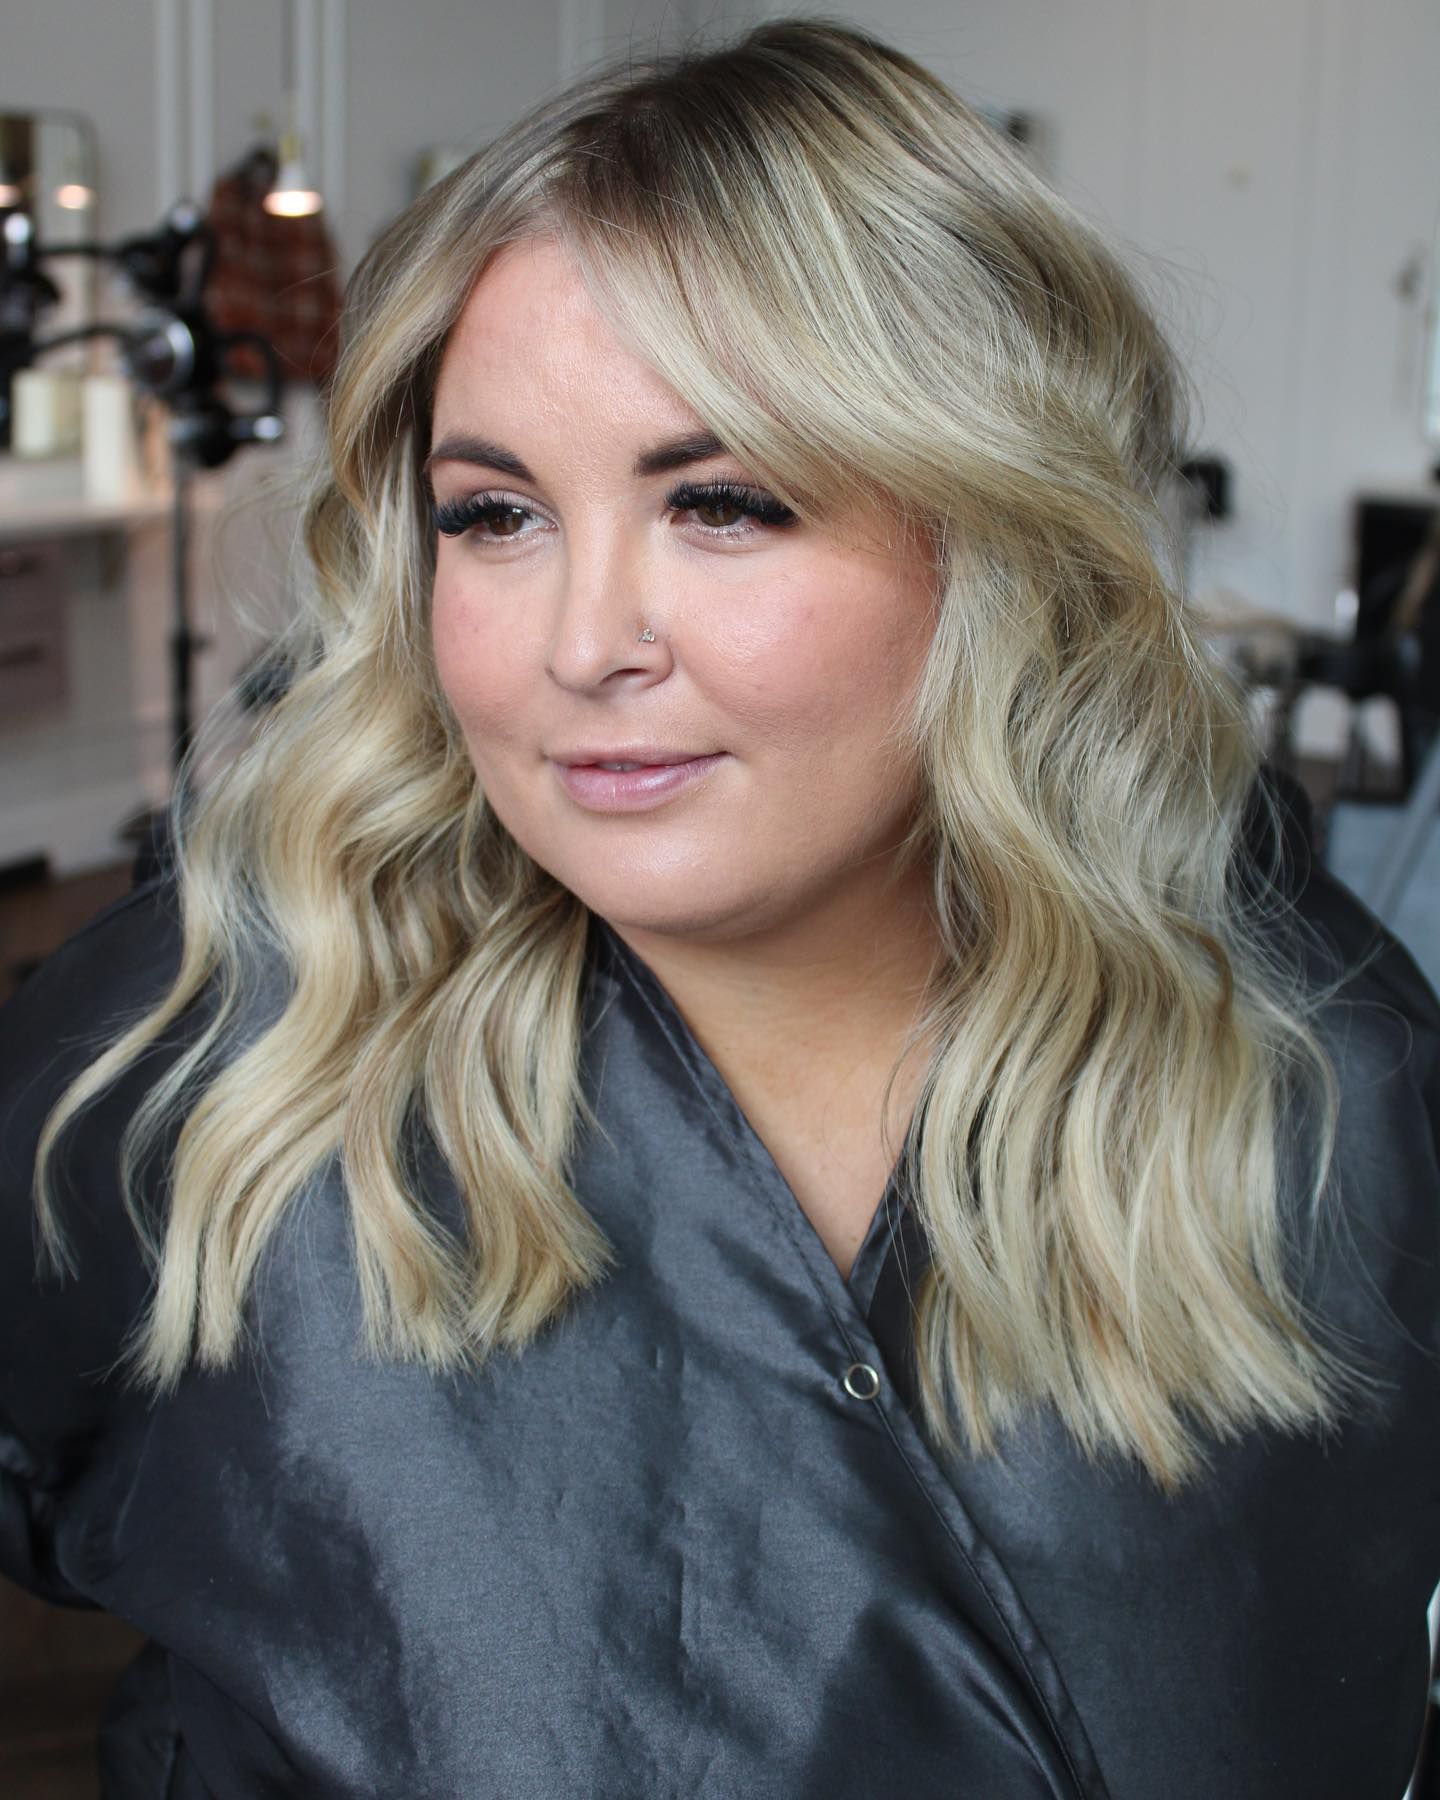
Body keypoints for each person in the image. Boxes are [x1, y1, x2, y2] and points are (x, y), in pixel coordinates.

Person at [2, 18, 1437, 1799]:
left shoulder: (1328, 1081)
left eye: (724, 503)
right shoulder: (223, 1045)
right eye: (497, 514)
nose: (586, 639)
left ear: (990, 536)